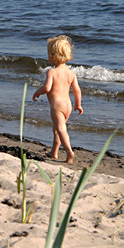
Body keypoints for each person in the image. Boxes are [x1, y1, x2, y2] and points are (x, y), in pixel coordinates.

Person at [32, 35, 83, 163]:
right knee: (57, 129)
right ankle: (54, 152)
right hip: (68, 105)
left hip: (57, 106)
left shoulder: (52, 72)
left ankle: (69, 152)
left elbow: (47, 88)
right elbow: (77, 90)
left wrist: (38, 92)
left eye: (49, 54)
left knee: (60, 129)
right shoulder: (71, 73)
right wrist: (78, 104)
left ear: (53, 56)